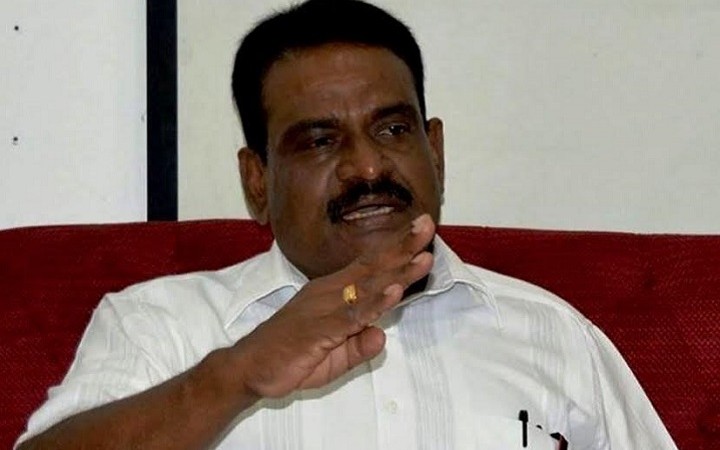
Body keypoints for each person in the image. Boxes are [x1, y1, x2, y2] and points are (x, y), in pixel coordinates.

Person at [17, 0, 677, 448]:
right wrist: (235, 377)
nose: (367, 167)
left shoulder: (553, 336)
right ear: (256, 182)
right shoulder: (159, 327)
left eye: (392, 130)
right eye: (319, 141)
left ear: (435, 151)